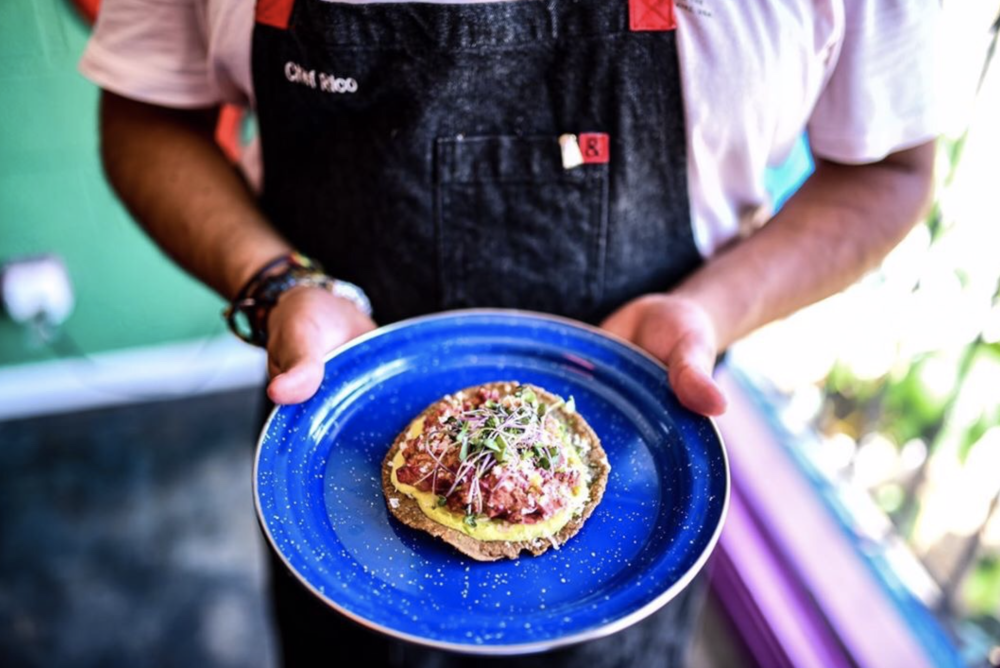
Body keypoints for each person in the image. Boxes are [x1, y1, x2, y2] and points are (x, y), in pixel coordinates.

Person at [80, 0, 938, 665]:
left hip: (639, 474)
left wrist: (711, 312)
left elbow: (890, 170)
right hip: (333, 448)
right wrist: (277, 286)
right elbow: (147, 111)